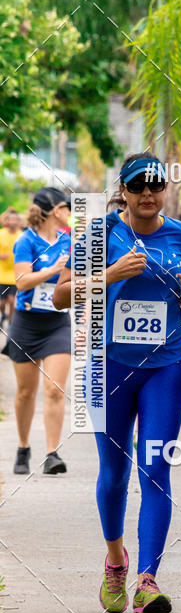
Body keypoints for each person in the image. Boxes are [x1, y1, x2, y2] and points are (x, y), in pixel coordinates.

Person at [53, 154, 181, 613]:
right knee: (114, 473)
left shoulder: (180, 235)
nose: (147, 195)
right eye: (138, 186)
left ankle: (148, 581)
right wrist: (108, 276)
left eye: (156, 187)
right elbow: (59, 294)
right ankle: (116, 561)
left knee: (156, 468)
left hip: (168, 365)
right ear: (124, 190)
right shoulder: (98, 234)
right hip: (108, 368)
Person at [3, 188, 71, 475]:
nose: (70, 210)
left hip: (58, 323)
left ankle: (52, 453)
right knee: (25, 392)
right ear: (54, 210)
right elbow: (21, 282)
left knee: (55, 389)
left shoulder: (69, 241)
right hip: (27, 324)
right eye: (66, 206)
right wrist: (53, 269)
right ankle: (23, 446)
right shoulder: (26, 241)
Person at [0, 208, 22, 329]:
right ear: (7, 220)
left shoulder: (22, 236)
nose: (13, 221)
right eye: (11, 219)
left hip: (15, 275)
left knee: (12, 300)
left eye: (16, 219)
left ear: (19, 221)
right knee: (2, 302)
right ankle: (3, 314)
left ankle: (10, 322)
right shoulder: (1, 234)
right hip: (2, 274)